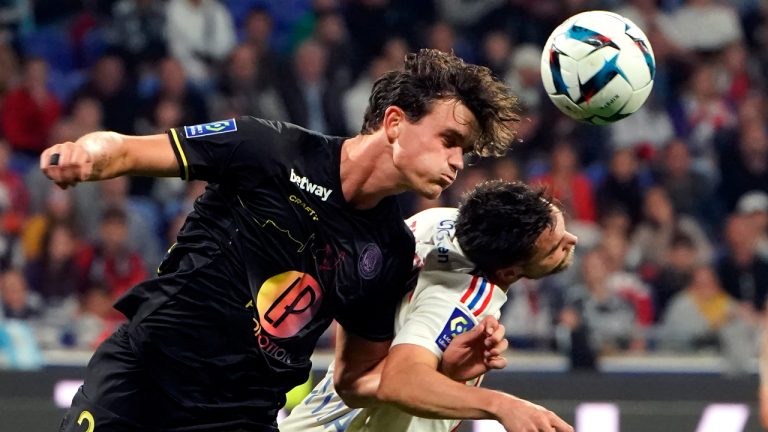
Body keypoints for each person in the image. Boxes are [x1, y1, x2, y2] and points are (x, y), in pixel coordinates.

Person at [41, 49, 521, 432]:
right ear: (394, 123)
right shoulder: (268, 149)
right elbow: (125, 148)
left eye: (466, 151)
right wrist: (87, 154)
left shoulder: (390, 252)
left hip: (241, 416)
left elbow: (355, 381)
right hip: (144, 380)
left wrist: (445, 368)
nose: (458, 162)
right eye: (449, 140)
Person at [281, 180, 577, 432]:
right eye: (555, 247)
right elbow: (401, 381)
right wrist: (503, 405)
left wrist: (444, 369)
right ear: (508, 272)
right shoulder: (463, 299)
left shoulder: (438, 222)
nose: (572, 240)